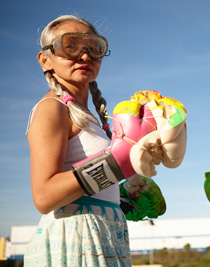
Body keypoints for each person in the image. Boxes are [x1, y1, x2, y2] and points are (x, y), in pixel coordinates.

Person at [24, 15, 132, 266]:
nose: (85, 56)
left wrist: (124, 198)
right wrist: (116, 166)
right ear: (45, 60)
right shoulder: (52, 108)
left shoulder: (89, 115)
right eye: (70, 46)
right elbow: (44, 196)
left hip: (102, 233)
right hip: (75, 240)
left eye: (94, 48)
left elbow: (88, 181)